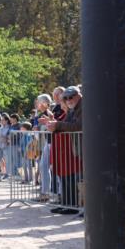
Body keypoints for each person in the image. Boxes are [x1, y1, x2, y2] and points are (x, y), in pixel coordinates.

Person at [42, 85, 83, 215]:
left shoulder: (83, 107)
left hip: (80, 148)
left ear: (78, 95)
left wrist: (57, 125)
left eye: (71, 97)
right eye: (66, 98)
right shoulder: (73, 109)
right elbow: (67, 125)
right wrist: (54, 125)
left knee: (72, 178)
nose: (68, 100)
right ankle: (66, 204)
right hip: (74, 148)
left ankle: (73, 206)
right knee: (65, 178)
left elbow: (78, 126)